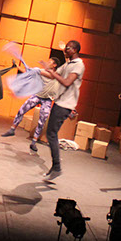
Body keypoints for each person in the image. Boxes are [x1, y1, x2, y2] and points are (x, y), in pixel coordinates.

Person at [39, 40, 85, 180]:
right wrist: (38, 71)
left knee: (51, 134)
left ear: (75, 49)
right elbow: (53, 75)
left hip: (66, 104)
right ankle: (55, 168)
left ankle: (57, 167)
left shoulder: (79, 65)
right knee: (51, 134)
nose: (65, 50)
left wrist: (52, 73)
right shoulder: (67, 64)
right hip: (60, 102)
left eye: (68, 48)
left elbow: (66, 82)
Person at [0, 57, 63, 152]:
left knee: (42, 120)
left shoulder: (57, 75)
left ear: (55, 65)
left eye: (50, 62)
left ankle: (34, 142)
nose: (47, 63)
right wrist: (17, 66)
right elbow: (28, 72)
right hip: (37, 95)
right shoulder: (42, 71)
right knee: (22, 110)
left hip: (47, 100)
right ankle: (12, 129)